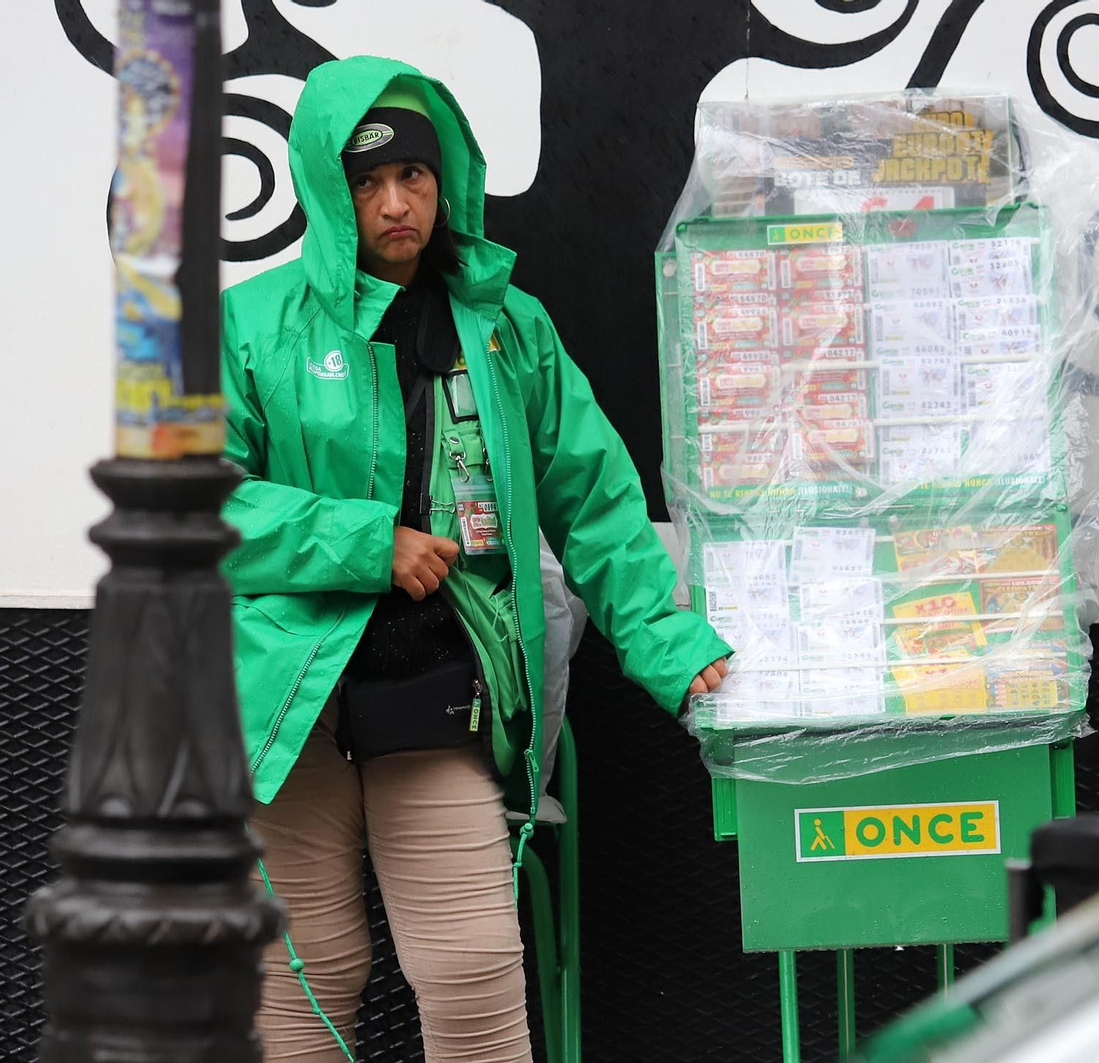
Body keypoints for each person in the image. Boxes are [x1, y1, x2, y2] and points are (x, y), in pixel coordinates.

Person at [219, 55, 732, 1061]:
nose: (395, 202)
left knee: (470, 977)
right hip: (288, 701)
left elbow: (594, 500)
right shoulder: (251, 323)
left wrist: (667, 641)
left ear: (445, 177)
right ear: (327, 186)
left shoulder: (504, 327)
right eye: (366, 180)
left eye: (413, 175)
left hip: (439, 686)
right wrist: (370, 543)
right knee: (304, 983)